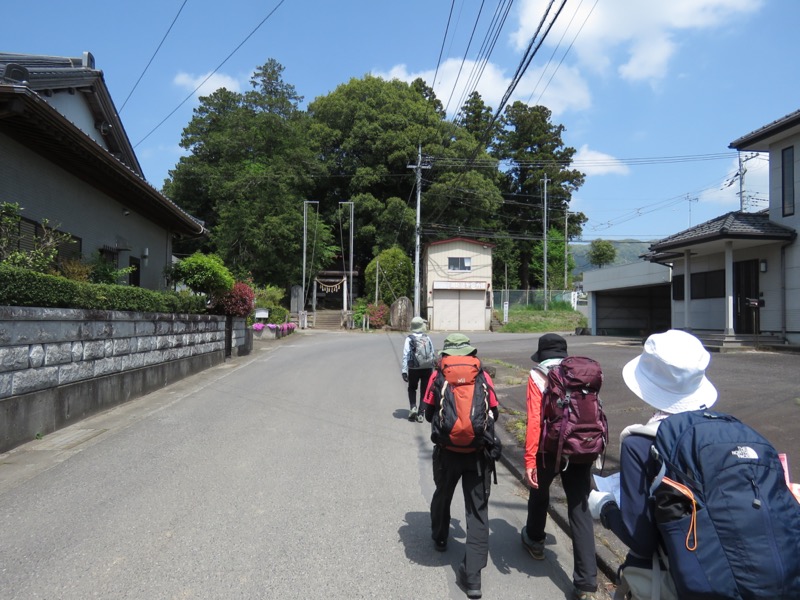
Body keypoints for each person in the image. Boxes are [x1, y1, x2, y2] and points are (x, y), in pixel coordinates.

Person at [587, 329, 717, 600]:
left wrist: (605, 507)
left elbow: (641, 541)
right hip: (736, 574)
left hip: (678, 579)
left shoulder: (640, 444)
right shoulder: (727, 432)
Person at [521, 333, 599, 600]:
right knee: (579, 508)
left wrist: (529, 460)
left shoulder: (537, 375)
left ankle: (535, 540)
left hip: (549, 449)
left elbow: (534, 421)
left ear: (541, 354)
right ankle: (586, 582)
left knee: (539, 492)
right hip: (580, 446)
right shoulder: (579, 374)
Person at [423, 333, 499, 600]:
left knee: (442, 494)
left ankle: (441, 537)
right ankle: (473, 578)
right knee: (477, 511)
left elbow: (428, 414)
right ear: (470, 352)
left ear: (446, 353)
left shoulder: (438, 374)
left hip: (447, 453)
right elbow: (494, 412)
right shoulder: (482, 375)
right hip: (477, 454)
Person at [401, 316, 435, 422]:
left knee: (412, 388)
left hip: (414, 368)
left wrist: (404, 371)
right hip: (427, 368)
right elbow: (432, 353)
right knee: (424, 391)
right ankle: (421, 414)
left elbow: (406, 355)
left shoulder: (409, 339)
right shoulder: (427, 337)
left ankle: (413, 407)